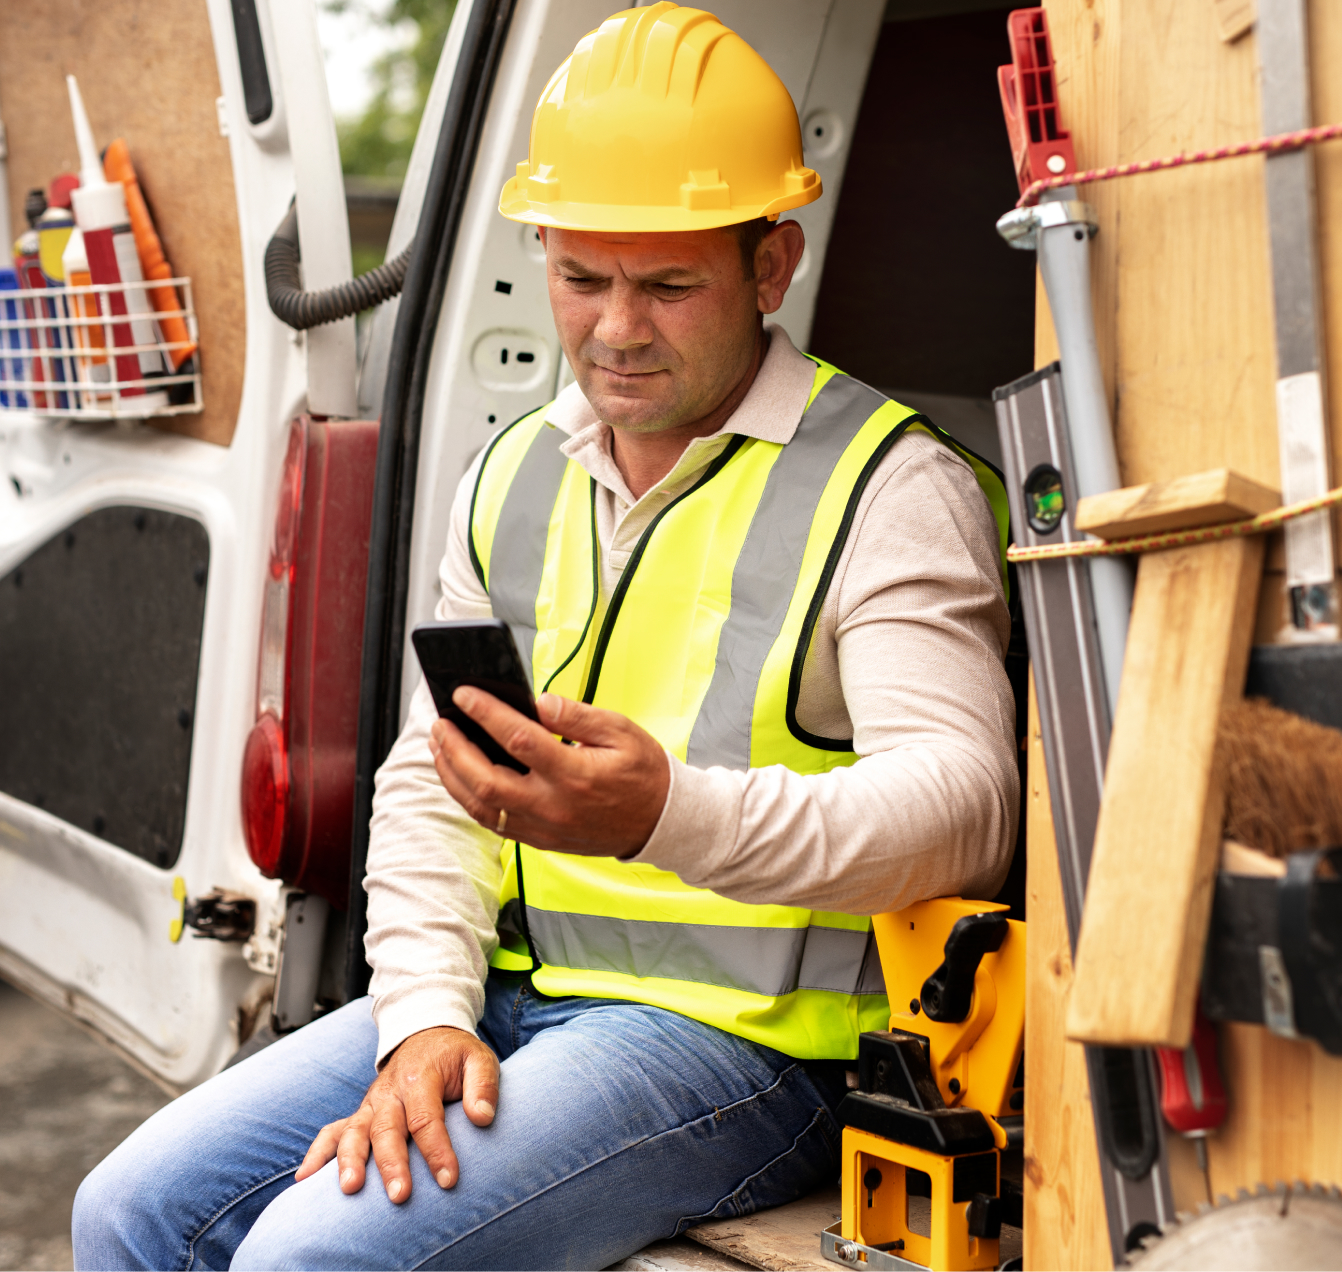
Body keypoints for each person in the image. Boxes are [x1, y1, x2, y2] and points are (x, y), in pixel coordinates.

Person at [72, 4, 1018, 1268]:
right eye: (581, 277)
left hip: (749, 1048)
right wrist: (420, 1017)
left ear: (771, 264)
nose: (616, 329)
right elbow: (432, 779)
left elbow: (966, 807)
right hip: (514, 993)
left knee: (314, 1257)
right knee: (124, 1211)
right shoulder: (514, 470)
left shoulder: (894, 489)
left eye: (669, 284)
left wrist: (660, 817)